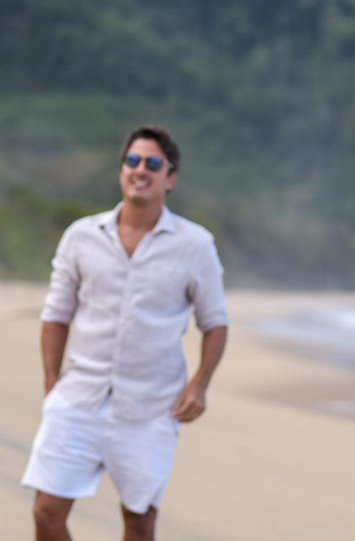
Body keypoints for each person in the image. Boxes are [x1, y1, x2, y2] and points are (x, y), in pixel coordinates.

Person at [21, 124, 228, 541]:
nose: (141, 170)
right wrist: (51, 382)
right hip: (79, 396)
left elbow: (215, 323)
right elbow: (57, 313)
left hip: (151, 408)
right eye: (133, 161)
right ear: (121, 171)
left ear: (169, 179)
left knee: (139, 523)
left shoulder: (195, 244)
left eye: (153, 163)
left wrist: (200, 385)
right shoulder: (81, 236)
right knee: (46, 513)